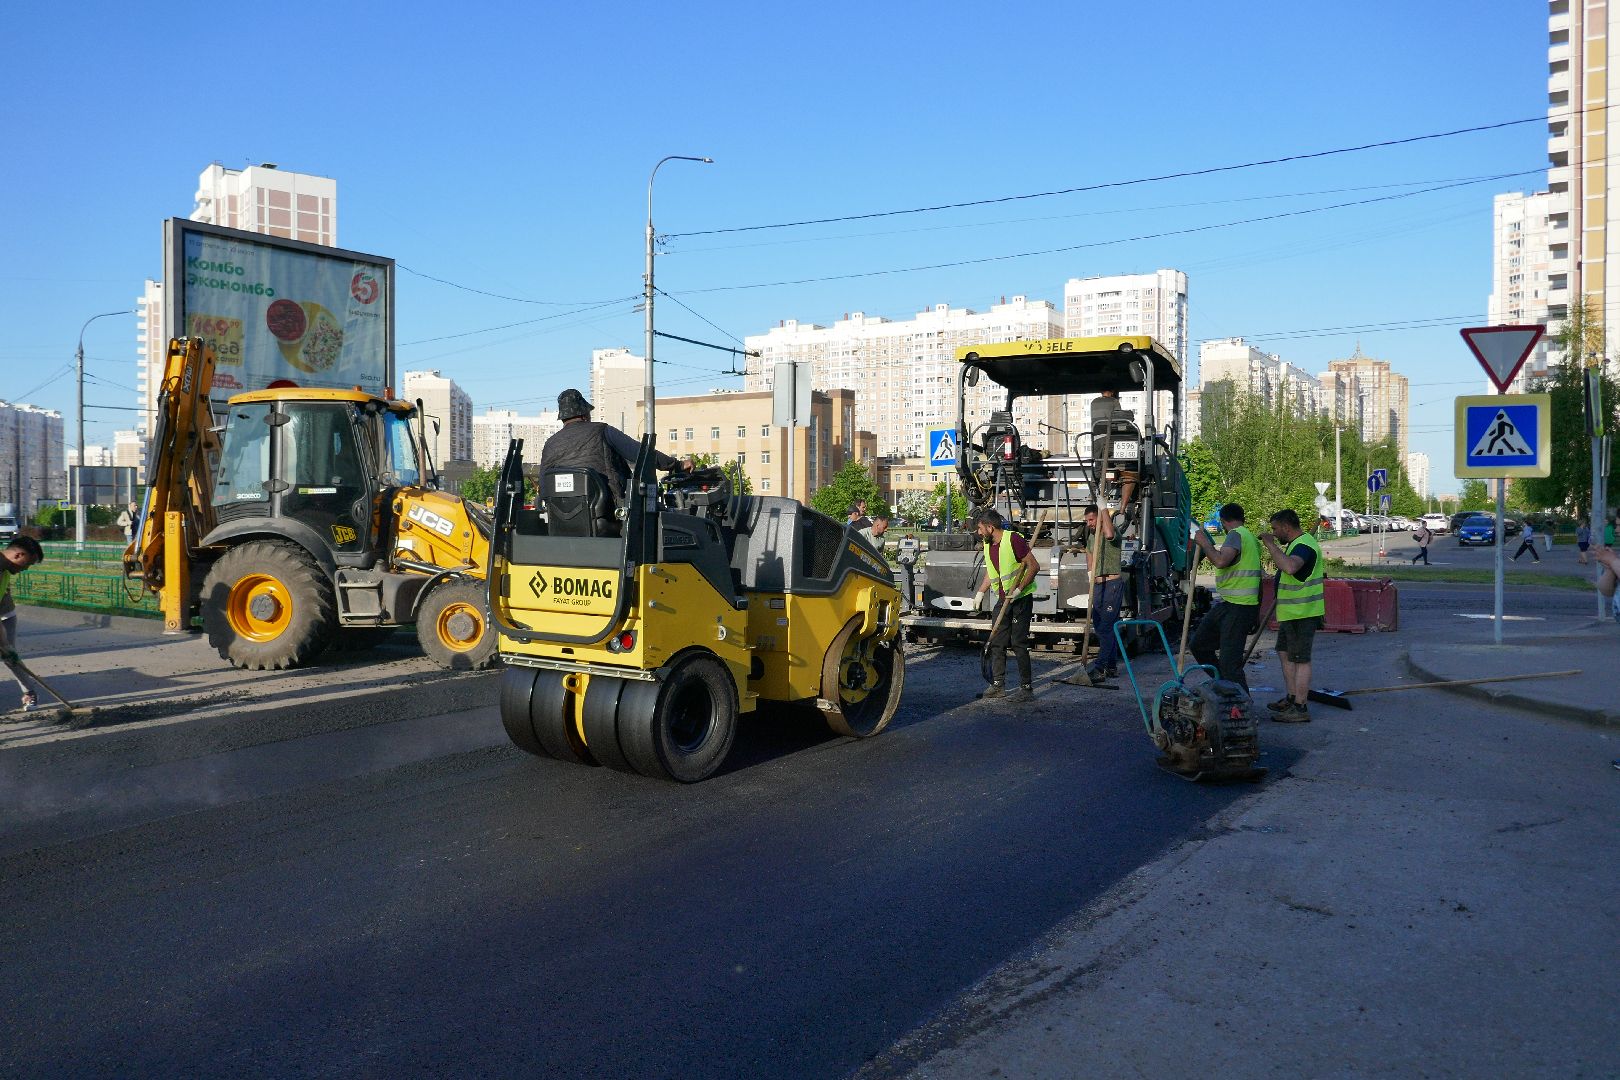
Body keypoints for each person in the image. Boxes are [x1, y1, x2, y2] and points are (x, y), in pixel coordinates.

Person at [537, 389, 689, 503]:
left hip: (561, 522)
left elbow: (544, 490)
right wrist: (676, 464)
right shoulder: (601, 430)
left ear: (563, 418)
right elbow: (641, 454)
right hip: (608, 516)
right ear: (584, 414)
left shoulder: (550, 444)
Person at [1258, 509, 1324, 723]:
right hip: (1291, 612)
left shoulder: (1304, 545)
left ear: (1286, 527)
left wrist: (1270, 544)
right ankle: (1292, 697)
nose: (1274, 533)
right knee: (1285, 653)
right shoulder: (1298, 544)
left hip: (1303, 612)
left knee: (1301, 659)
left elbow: (1289, 566)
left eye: (1275, 529)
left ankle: (1300, 707)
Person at [1188, 503, 1262, 690]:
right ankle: (1223, 685)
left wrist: (1204, 543)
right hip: (1231, 605)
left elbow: (1221, 561)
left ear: (1223, 521)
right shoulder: (1250, 538)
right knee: (1199, 644)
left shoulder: (1236, 535)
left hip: (1239, 607)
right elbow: (1259, 578)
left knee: (1230, 662)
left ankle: (1242, 705)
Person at [971, 508, 1039, 703]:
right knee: (997, 642)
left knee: (1018, 642)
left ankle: (1026, 688)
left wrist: (1019, 589)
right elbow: (992, 572)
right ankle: (998, 685)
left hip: (1021, 599)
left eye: (980, 528)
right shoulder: (988, 544)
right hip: (1003, 599)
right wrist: (980, 592)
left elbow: (1033, 566)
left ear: (990, 527)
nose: (979, 532)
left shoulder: (1013, 540)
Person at [1079, 503, 1125, 682]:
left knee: (1106, 627)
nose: (1089, 523)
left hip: (1112, 584)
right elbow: (1089, 559)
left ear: (1099, 518)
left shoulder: (1112, 531)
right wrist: (1091, 579)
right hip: (1098, 586)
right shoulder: (1091, 537)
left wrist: (1104, 508)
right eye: (1087, 521)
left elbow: (1110, 534)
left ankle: (1100, 668)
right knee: (1101, 628)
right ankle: (1112, 667)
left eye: (1091, 519)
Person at [0, 536, 46, 711]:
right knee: (7, 650)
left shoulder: (5, 567)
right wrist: (4, 644)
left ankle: (30, 692)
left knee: (10, 656)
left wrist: (6, 647)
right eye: (27, 564)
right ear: (19, 555)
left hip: (6, 614)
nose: (26, 569)